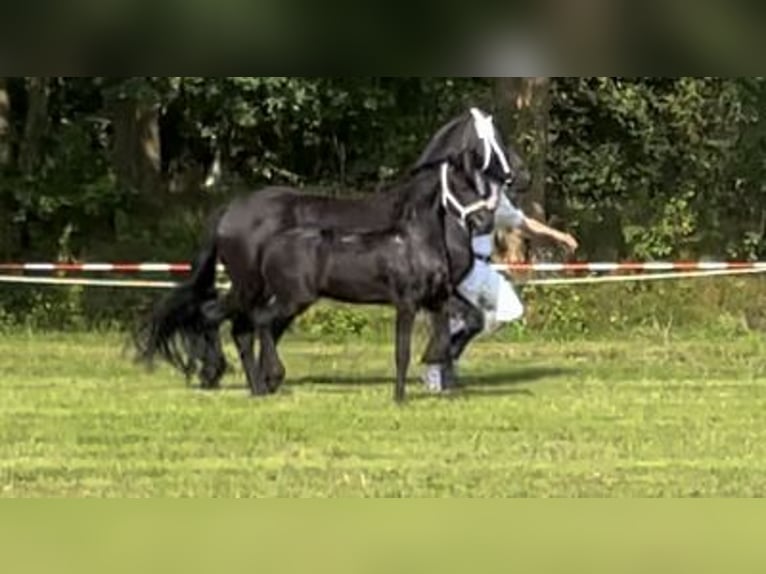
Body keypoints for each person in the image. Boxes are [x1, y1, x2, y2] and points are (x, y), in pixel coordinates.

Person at [422, 189, 579, 392]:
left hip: (483, 268)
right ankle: (438, 369)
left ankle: (445, 355)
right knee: (465, 321)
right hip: (461, 266)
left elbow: (524, 223)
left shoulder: (498, 199)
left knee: (510, 310)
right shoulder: (457, 195)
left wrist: (558, 235)